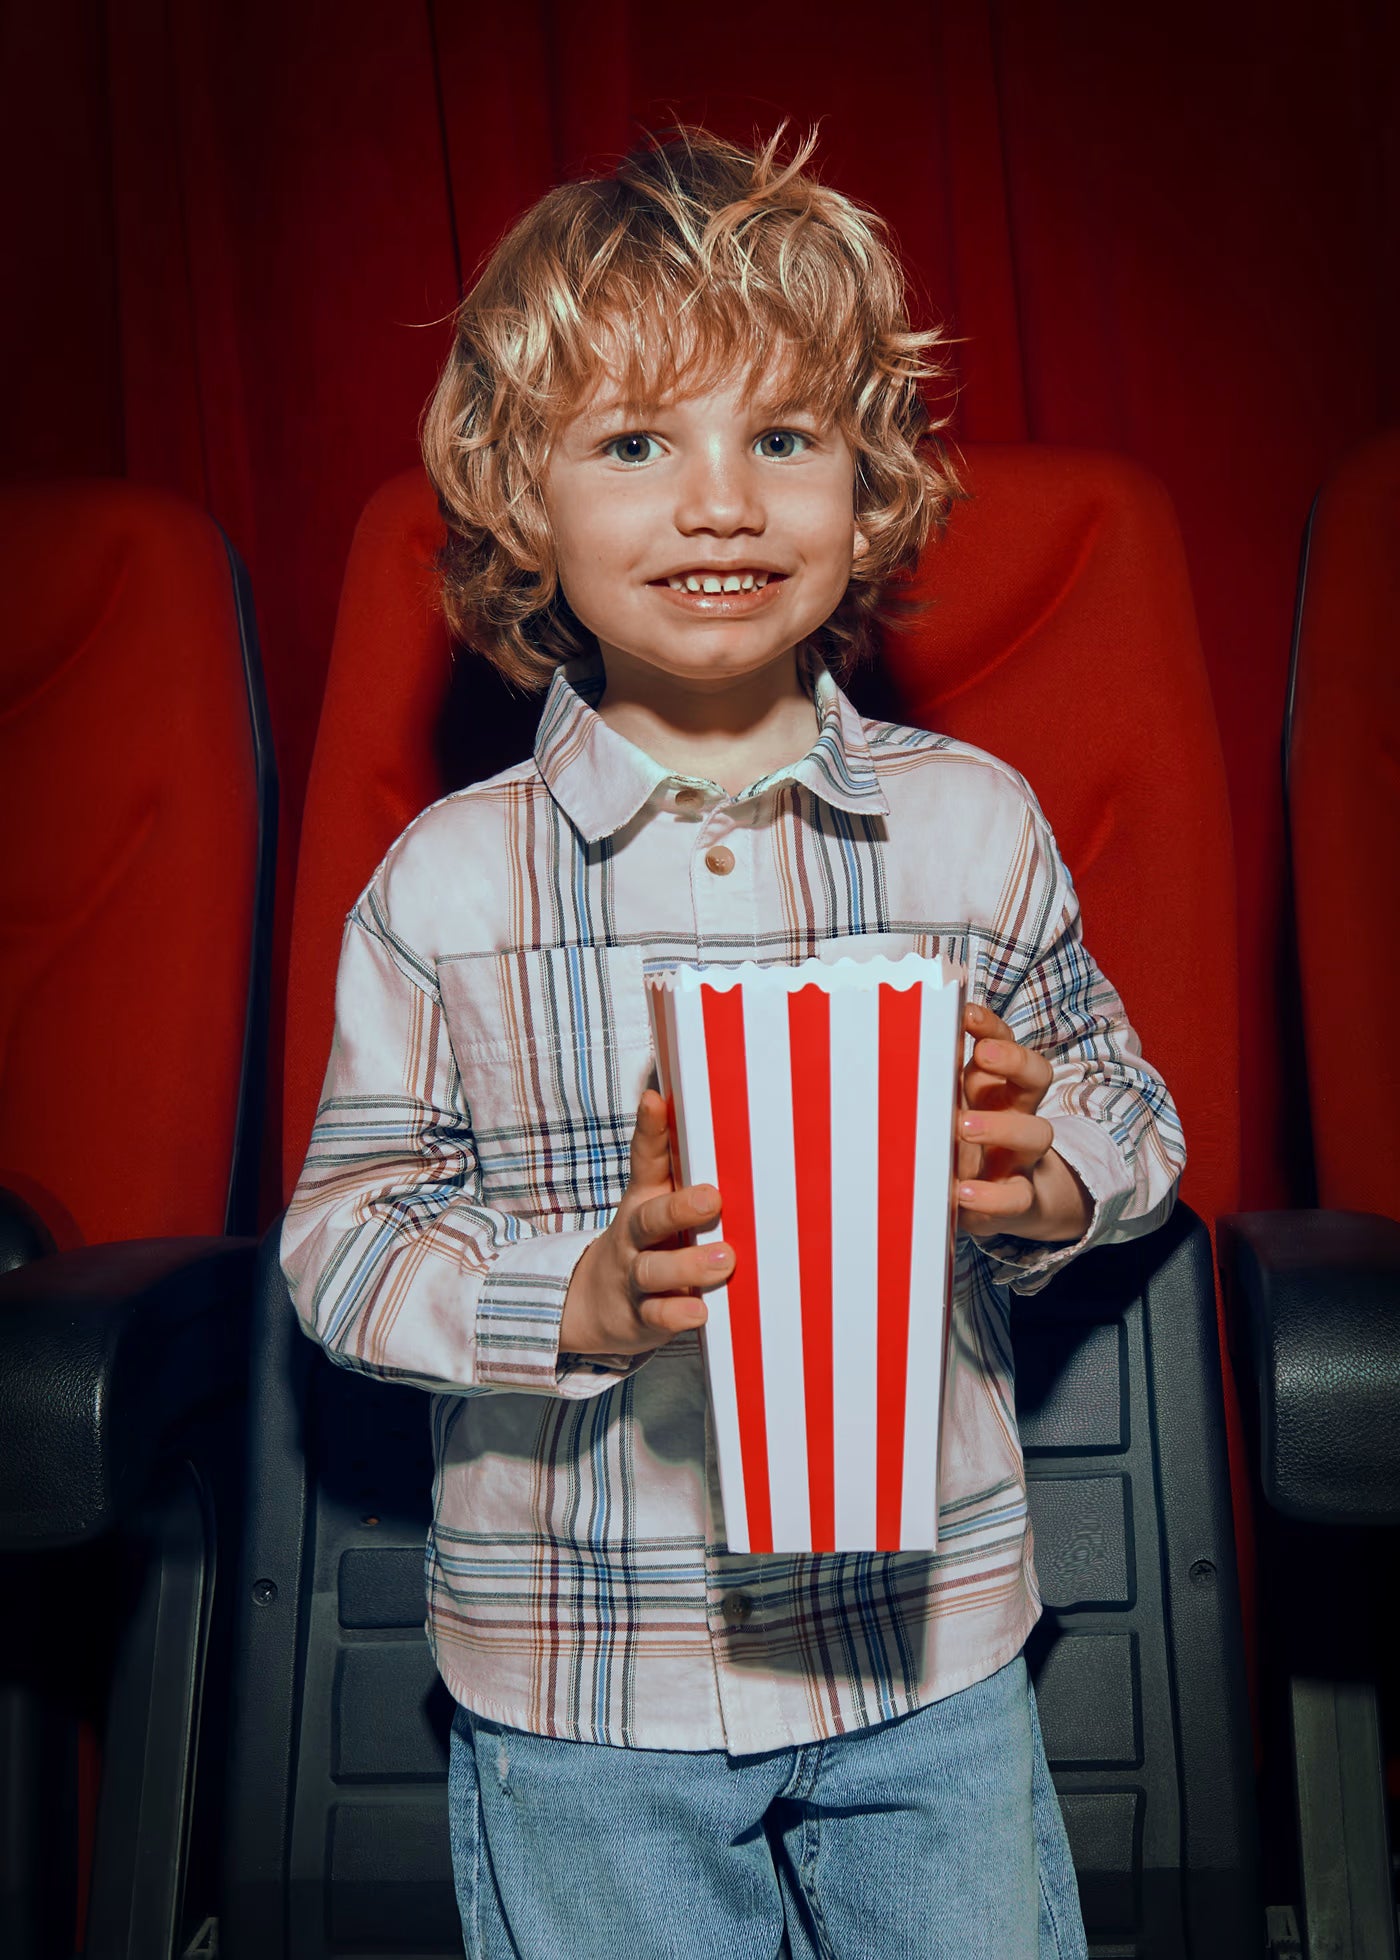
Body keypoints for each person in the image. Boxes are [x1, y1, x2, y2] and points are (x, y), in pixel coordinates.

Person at [282, 127, 1184, 1960]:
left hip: (921, 1644)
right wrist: (583, 1299)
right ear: (523, 501)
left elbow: (1133, 1109)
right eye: (636, 445)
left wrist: (1047, 1169)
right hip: (576, 1672)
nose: (720, 501)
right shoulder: (445, 882)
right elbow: (345, 1236)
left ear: (869, 487)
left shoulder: (976, 827)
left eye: (781, 438)